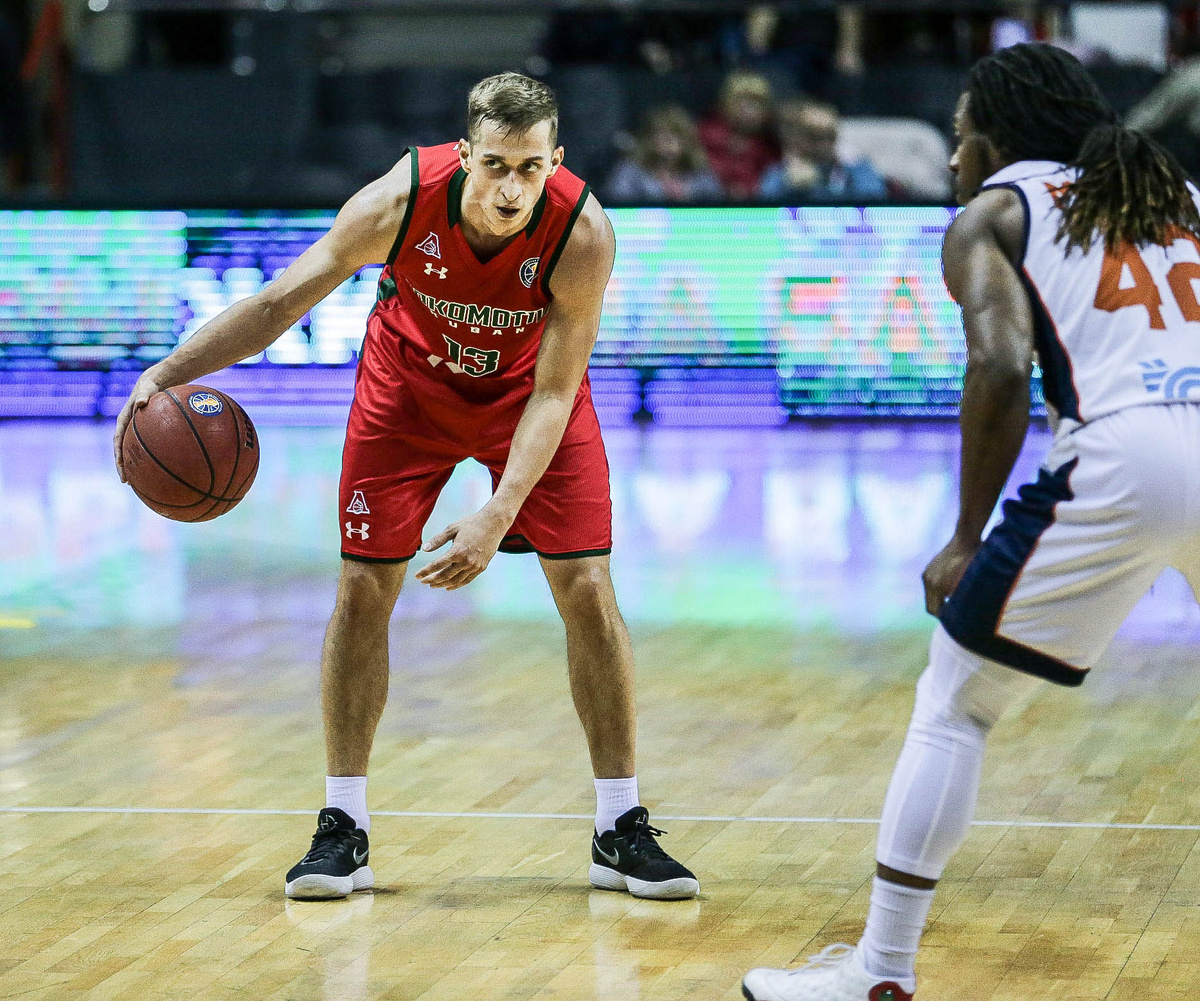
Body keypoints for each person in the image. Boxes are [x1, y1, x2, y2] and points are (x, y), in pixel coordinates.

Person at [113, 72, 699, 904]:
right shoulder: (399, 202)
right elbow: (280, 303)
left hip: (527, 398)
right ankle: (341, 827)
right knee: (362, 587)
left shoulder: (583, 233)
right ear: (464, 154)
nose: (511, 188)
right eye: (494, 165)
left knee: (586, 585)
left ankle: (619, 824)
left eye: (530, 168)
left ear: (556, 160)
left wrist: (498, 513)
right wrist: (166, 373)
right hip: (407, 393)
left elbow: (557, 393)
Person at [743, 42, 1200, 1000]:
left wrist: (964, 537)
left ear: (994, 140)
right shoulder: (1179, 197)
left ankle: (880, 970)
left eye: (959, 137)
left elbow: (998, 366)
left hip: (1124, 455)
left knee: (957, 701)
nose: (953, 157)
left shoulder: (994, 212)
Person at [758, 97, 886, 202]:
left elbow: (875, 198)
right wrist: (789, 186)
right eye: (814, 137)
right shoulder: (780, 173)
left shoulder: (856, 166)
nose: (824, 144)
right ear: (796, 138)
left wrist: (817, 190)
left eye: (830, 137)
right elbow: (765, 202)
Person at [605, 105, 723, 203]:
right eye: (661, 135)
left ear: (687, 140)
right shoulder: (630, 171)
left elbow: (718, 205)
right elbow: (615, 206)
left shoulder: (700, 172)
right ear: (648, 138)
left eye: (674, 135)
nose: (667, 141)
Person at [698, 70, 781, 199]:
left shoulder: (772, 145)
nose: (750, 109)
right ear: (727, 104)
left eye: (757, 103)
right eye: (743, 101)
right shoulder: (705, 136)